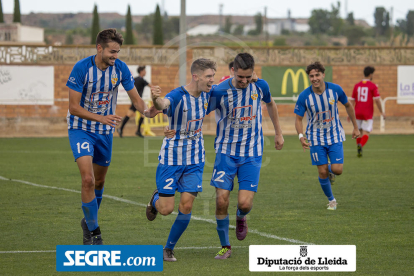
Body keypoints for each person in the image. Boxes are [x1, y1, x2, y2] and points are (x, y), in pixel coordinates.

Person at [66, 29, 158, 245]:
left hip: (104, 132)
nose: (115, 56)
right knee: (87, 179)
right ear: (99, 48)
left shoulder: (121, 69)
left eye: (118, 52)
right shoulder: (81, 69)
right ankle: (95, 233)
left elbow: (136, 99)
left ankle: (87, 223)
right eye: (112, 51)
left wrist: (148, 112)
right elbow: (73, 107)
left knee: (99, 181)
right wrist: (100, 117)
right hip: (81, 129)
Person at [207, 53, 284, 259]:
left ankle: (241, 217)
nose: (243, 81)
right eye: (240, 77)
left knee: (244, 204)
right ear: (232, 71)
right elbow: (200, 111)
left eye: (247, 77)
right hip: (226, 152)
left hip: (251, 153)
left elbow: (271, 104)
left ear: (253, 73)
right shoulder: (219, 91)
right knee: (222, 200)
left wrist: (278, 132)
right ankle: (225, 246)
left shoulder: (260, 86)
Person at [145, 58, 217, 262]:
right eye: (209, 76)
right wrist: (155, 98)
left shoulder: (208, 93)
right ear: (196, 76)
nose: (212, 80)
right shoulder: (178, 95)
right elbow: (162, 104)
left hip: (195, 159)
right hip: (171, 159)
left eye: (213, 76)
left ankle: (168, 248)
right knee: (166, 210)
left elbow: (231, 85)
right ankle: (155, 199)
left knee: (186, 206)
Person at [294, 61, 360, 211]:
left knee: (337, 170)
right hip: (316, 138)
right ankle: (332, 200)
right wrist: (300, 136)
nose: (315, 78)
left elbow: (348, 105)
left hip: (335, 135)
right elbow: (298, 118)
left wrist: (355, 127)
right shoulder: (305, 96)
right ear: (309, 78)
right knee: (322, 171)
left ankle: (330, 171)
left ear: (323, 75)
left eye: (317, 75)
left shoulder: (335, 90)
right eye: (312, 76)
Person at [349, 66, 385, 157]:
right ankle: (360, 145)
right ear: (370, 74)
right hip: (367, 113)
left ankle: (358, 145)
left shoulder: (357, 85)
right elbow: (377, 100)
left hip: (357, 112)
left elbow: (352, 100)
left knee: (359, 132)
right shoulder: (372, 86)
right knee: (366, 132)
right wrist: (382, 111)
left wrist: (349, 113)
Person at [117, 66, 151, 138]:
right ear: (141, 71)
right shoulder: (142, 80)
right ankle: (136, 131)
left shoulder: (135, 79)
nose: (145, 72)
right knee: (139, 114)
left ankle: (121, 129)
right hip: (138, 102)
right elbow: (151, 86)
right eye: (144, 71)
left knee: (130, 115)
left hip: (134, 100)